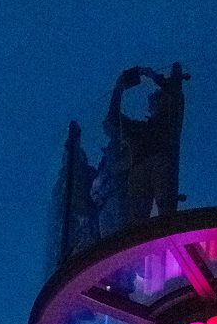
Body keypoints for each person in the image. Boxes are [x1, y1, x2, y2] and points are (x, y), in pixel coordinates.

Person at [104, 65, 184, 223]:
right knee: (136, 218)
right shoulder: (139, 129)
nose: (152, 96)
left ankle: (167, 227)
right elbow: (112, 120)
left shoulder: (169, 122)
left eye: (158, 95)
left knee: (165, 212)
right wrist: (119, 88)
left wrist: (153, 75)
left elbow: (175, 94)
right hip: (139, 168)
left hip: (160, 162)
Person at [52, 127, 98, 257]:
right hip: (68, 224)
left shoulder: (88, 172)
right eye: (66, 155)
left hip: (85, 218)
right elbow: (56, 203)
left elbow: (95, 193)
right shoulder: (61, 181)